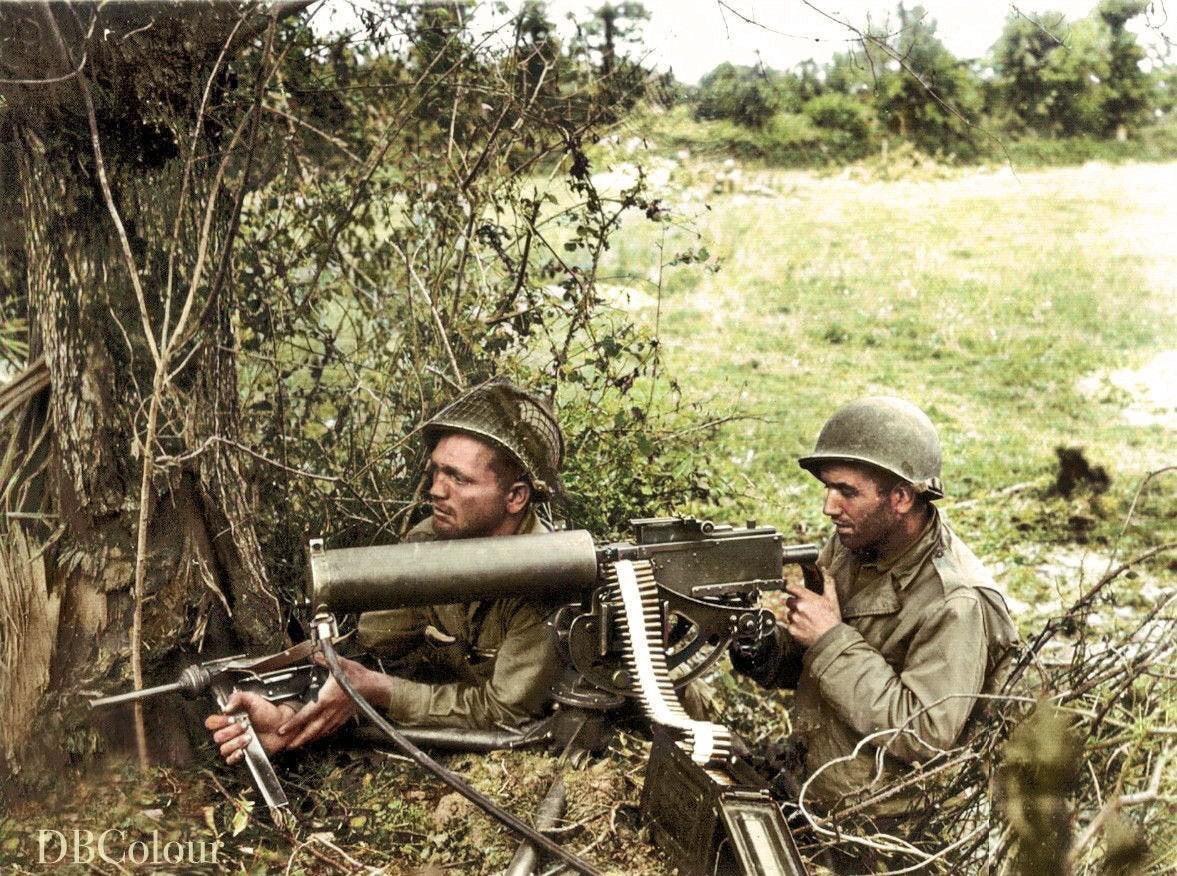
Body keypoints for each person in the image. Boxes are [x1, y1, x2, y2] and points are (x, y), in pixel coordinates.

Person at [206, 380, 567, 764]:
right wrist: (289, 713)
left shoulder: (548, 580)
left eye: (457, 478)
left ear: (515, 497)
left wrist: (381, 691)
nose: (435, 490)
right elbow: (366, 650)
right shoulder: (429, 542)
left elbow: (506, 714)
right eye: (435, 472)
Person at [730, 396, 1018, 821]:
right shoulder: (858, 542)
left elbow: (923, 733)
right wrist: (768, 651)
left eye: (847, 492)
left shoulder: (956, 603)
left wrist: (829, 639)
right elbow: (822, 666)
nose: (829, 507)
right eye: (828, 488)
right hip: (816, 782)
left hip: (887, 826)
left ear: (900, 497)